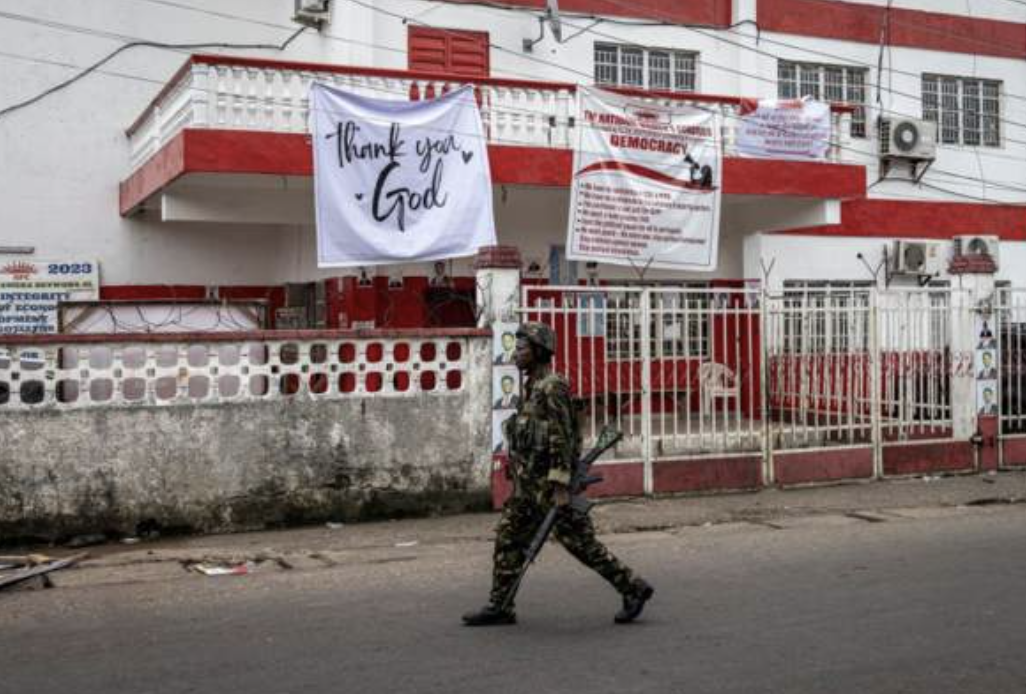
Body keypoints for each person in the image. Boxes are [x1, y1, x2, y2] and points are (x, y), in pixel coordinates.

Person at [463, 322, 653, 627]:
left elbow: (562, 437)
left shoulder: (552, 386)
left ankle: (632, 587)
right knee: (508, 539)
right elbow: (532, 436)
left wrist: (561, 485)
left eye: (522, 348)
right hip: (528, 489)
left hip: (551, 490)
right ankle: (500, 605)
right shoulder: (532, 388)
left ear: (538, 352)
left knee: (582, 545)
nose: (516, 354)